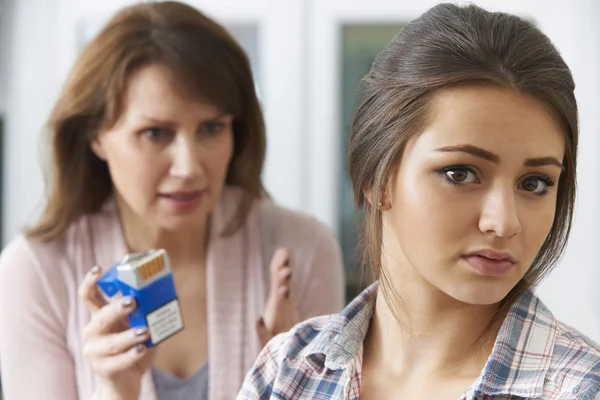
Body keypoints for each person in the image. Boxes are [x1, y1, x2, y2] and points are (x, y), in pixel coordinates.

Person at [237, 3, 600, 399]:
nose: (503, 222)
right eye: (459, 173)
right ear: (378, 178)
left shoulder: (578, 389)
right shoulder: (288, 370)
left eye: (534, 183)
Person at [0, 2, 345, 399]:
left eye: (212, 127)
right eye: (155, 133)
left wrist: (285, 384)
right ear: (95, 135)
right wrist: (115, 390)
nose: (189, 167)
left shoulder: (302, 249)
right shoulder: (36, 272)